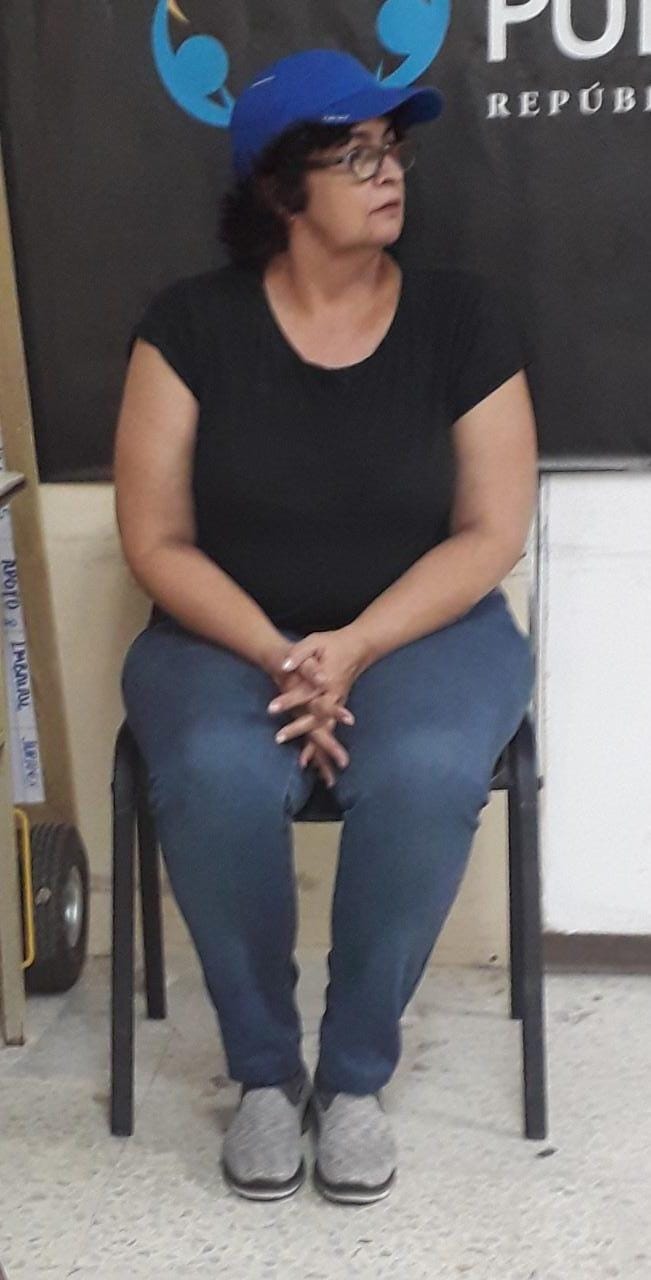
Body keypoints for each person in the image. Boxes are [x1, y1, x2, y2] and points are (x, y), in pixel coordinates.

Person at [114, 47, 538, 1206]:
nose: (387, 171)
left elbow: (492, 529)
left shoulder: (461, 316)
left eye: (392, 149)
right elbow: (157, 539)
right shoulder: (189, 326)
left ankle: (353, 1078)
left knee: (424, 766)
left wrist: (353, 646)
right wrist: (277, 651)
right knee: (213, 768)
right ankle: (264, 1072)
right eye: (354, 155)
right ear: (280, 188)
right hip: (224, 634)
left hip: (427, 629)